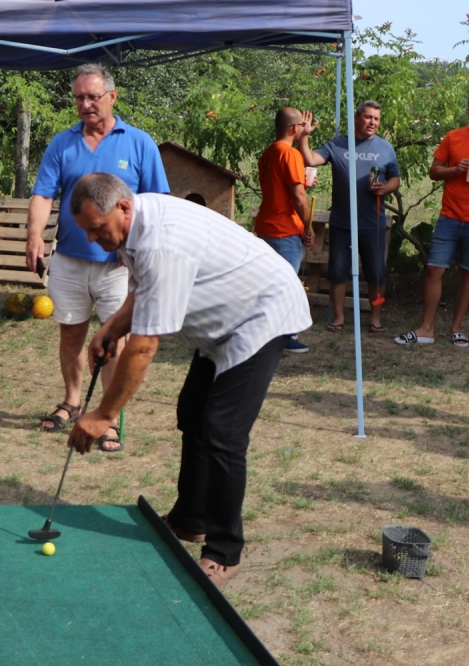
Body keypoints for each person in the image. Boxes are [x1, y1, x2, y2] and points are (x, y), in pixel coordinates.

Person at [66, 173, 312, 585]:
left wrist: (103, 415)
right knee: (193, 411)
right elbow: (142, 288)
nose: (93, 239)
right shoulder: (134, 223)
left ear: (123, 208)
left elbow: (144, 348)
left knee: (223, 430)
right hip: (223, 320)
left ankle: (225, 550)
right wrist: (112, 326)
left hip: (261, 312)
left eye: (97, 229)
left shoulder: (163, 243)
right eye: (87, 231)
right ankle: (190, 519)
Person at [25, 64, 169, 452]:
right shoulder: (62, 143)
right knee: (71, 333)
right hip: (70, 258)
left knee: (113, 340)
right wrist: (35, 234)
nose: (86, 104)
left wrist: (139, 249)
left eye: (93, 97)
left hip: (120, 265)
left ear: (112, 97)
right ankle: (72, 401)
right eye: (79, 98)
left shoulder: (139, 143)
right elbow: (43, 194)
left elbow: (158, 204)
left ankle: (107, 418)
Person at [395, 89, 469, 348]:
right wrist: (455, 170)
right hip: (449, 217)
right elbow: (434, 172)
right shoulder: (453, 137)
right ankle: (426, 329)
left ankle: (456, 329)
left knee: (468, 273)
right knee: (433, 270)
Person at [299, 101, 400, 333]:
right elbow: (310, 160)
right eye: (367, 117)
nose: (372, 122)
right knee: (338, 271)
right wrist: (304, 136)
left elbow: (395, 179)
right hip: (342, 222)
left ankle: (375, 319)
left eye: (376, 118)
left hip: (372, 223)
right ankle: (338, 317)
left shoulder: (385, 148)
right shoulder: (338, 144)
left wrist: (384, 188)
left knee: (376, 274)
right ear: (356, 119)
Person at [254, 107, 315, 353]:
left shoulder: (269, 152)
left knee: (268, 283)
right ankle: (285, 336)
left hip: (267, 225)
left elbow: (284, 188)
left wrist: (303, 183)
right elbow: (298, 197)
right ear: (293, 128)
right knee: (287, 285)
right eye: (301, 125)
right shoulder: (289, 154)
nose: (304, 128)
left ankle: (266, 333)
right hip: (284, 230)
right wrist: (309, 226)